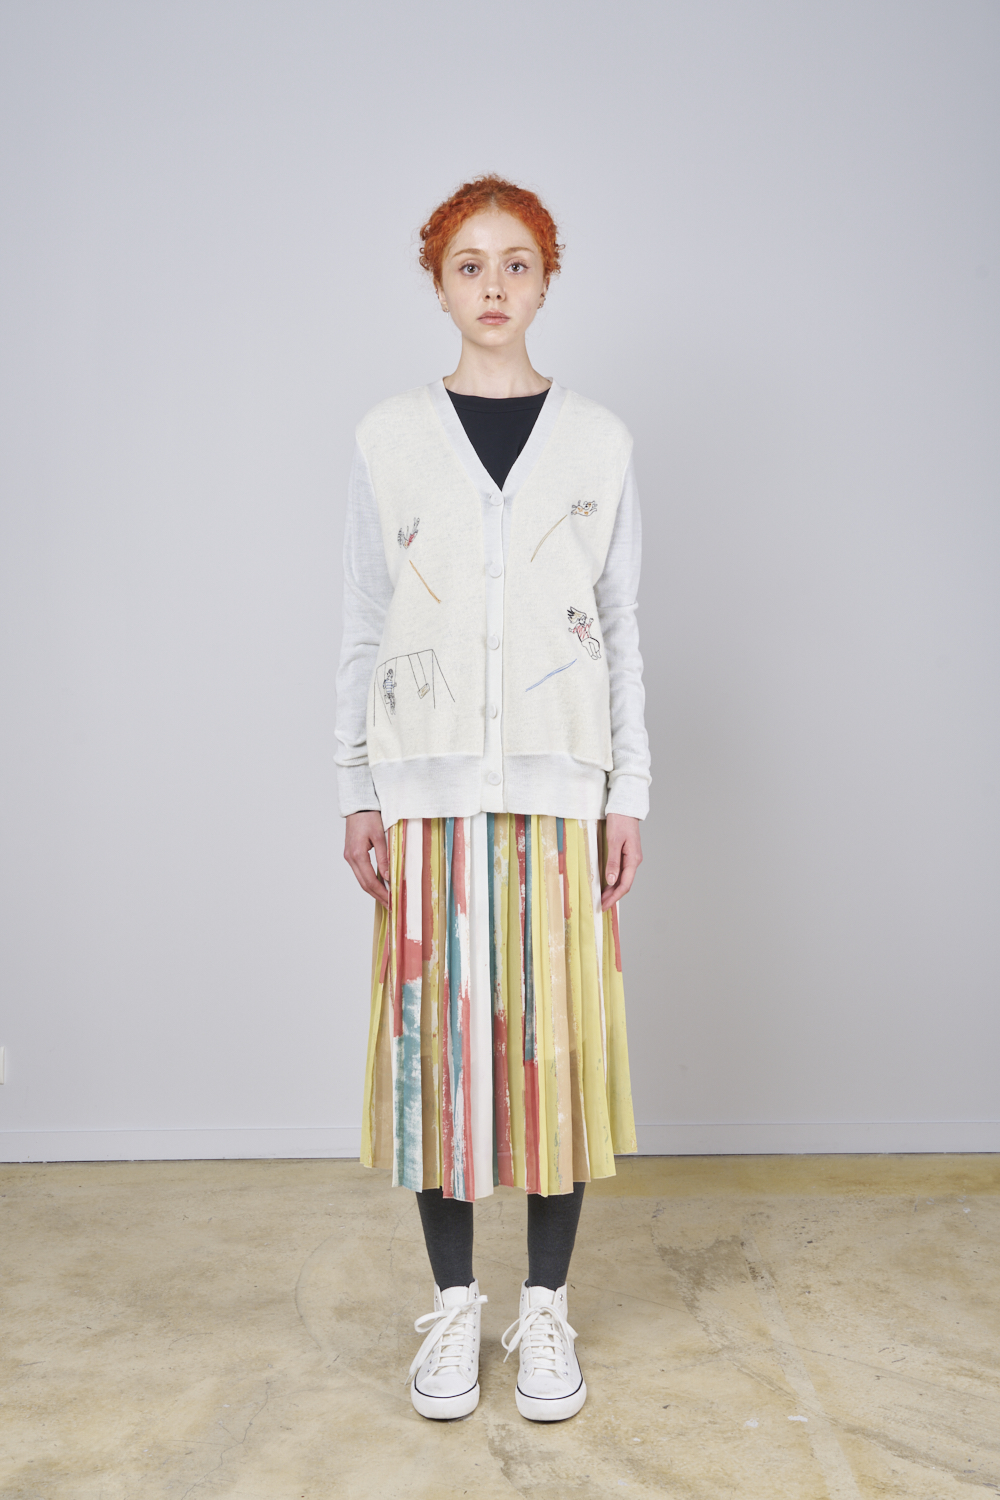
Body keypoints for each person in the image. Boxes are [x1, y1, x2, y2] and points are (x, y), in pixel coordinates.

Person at [334, 175, 650, 1423]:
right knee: (437, 1062)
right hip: (424, 793)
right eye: (469, 265)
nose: (494, 286)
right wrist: (354, 785)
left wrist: (629, 791)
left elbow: (620, 627)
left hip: (563, 795)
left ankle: (547, 1311)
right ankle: (457, 1308)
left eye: (517, 263)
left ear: (546, 279)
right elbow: (365, 622)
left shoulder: (599, 441)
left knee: (551, 1059)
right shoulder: (387, 438)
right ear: (438, 283)